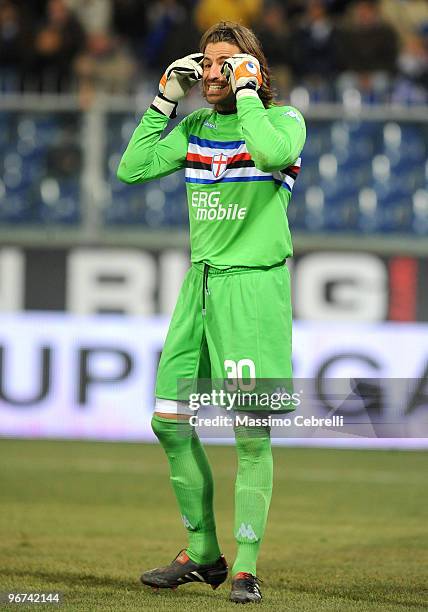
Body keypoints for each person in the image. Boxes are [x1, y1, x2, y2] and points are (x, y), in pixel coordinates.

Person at [117, 20, 306, 604]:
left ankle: (246, 564)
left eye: (225, 62)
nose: (210, 73)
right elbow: (133, 167)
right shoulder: (196, 126)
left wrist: (248, 95)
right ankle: (203, 553)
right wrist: (164, 100)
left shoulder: (283, 122)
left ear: (252, 69)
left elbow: (274, 153)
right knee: (168, 421)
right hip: (196, 288)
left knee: (250, 434)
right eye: (204, 62)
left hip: (251, 291)